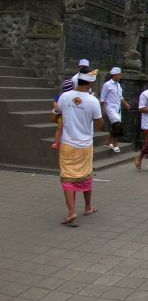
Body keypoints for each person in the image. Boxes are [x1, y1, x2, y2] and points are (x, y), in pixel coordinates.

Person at [55, 72, 103, 226]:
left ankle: (72, 211)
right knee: (86, 174)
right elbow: (99, 125)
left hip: (68, 143)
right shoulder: (93, 101)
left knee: (67, 176)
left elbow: (58, 114)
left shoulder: (64, 97)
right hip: (85, 145)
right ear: (90, 84)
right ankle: (88, 207)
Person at [99, 67, 129, 153]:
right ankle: (115, 144)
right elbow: (102, 98)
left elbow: (120, 97)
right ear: (114, 75)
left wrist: (125, 104)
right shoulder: (107, 85)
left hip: (117, 108)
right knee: (117, 125)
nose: (120, 77)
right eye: (119, 75)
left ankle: (107, 142)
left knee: (114, 127)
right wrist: (103, 108)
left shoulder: (118, 85)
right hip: (110, 107)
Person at [50, 79, 75, 150]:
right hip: (65, 116)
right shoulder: (72, 96)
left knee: (59, 129)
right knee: (63, 129)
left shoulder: (61, 95)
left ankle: (55, 143)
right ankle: (61, 142)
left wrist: (56, 108)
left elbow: (55, 102)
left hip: (61, 116)